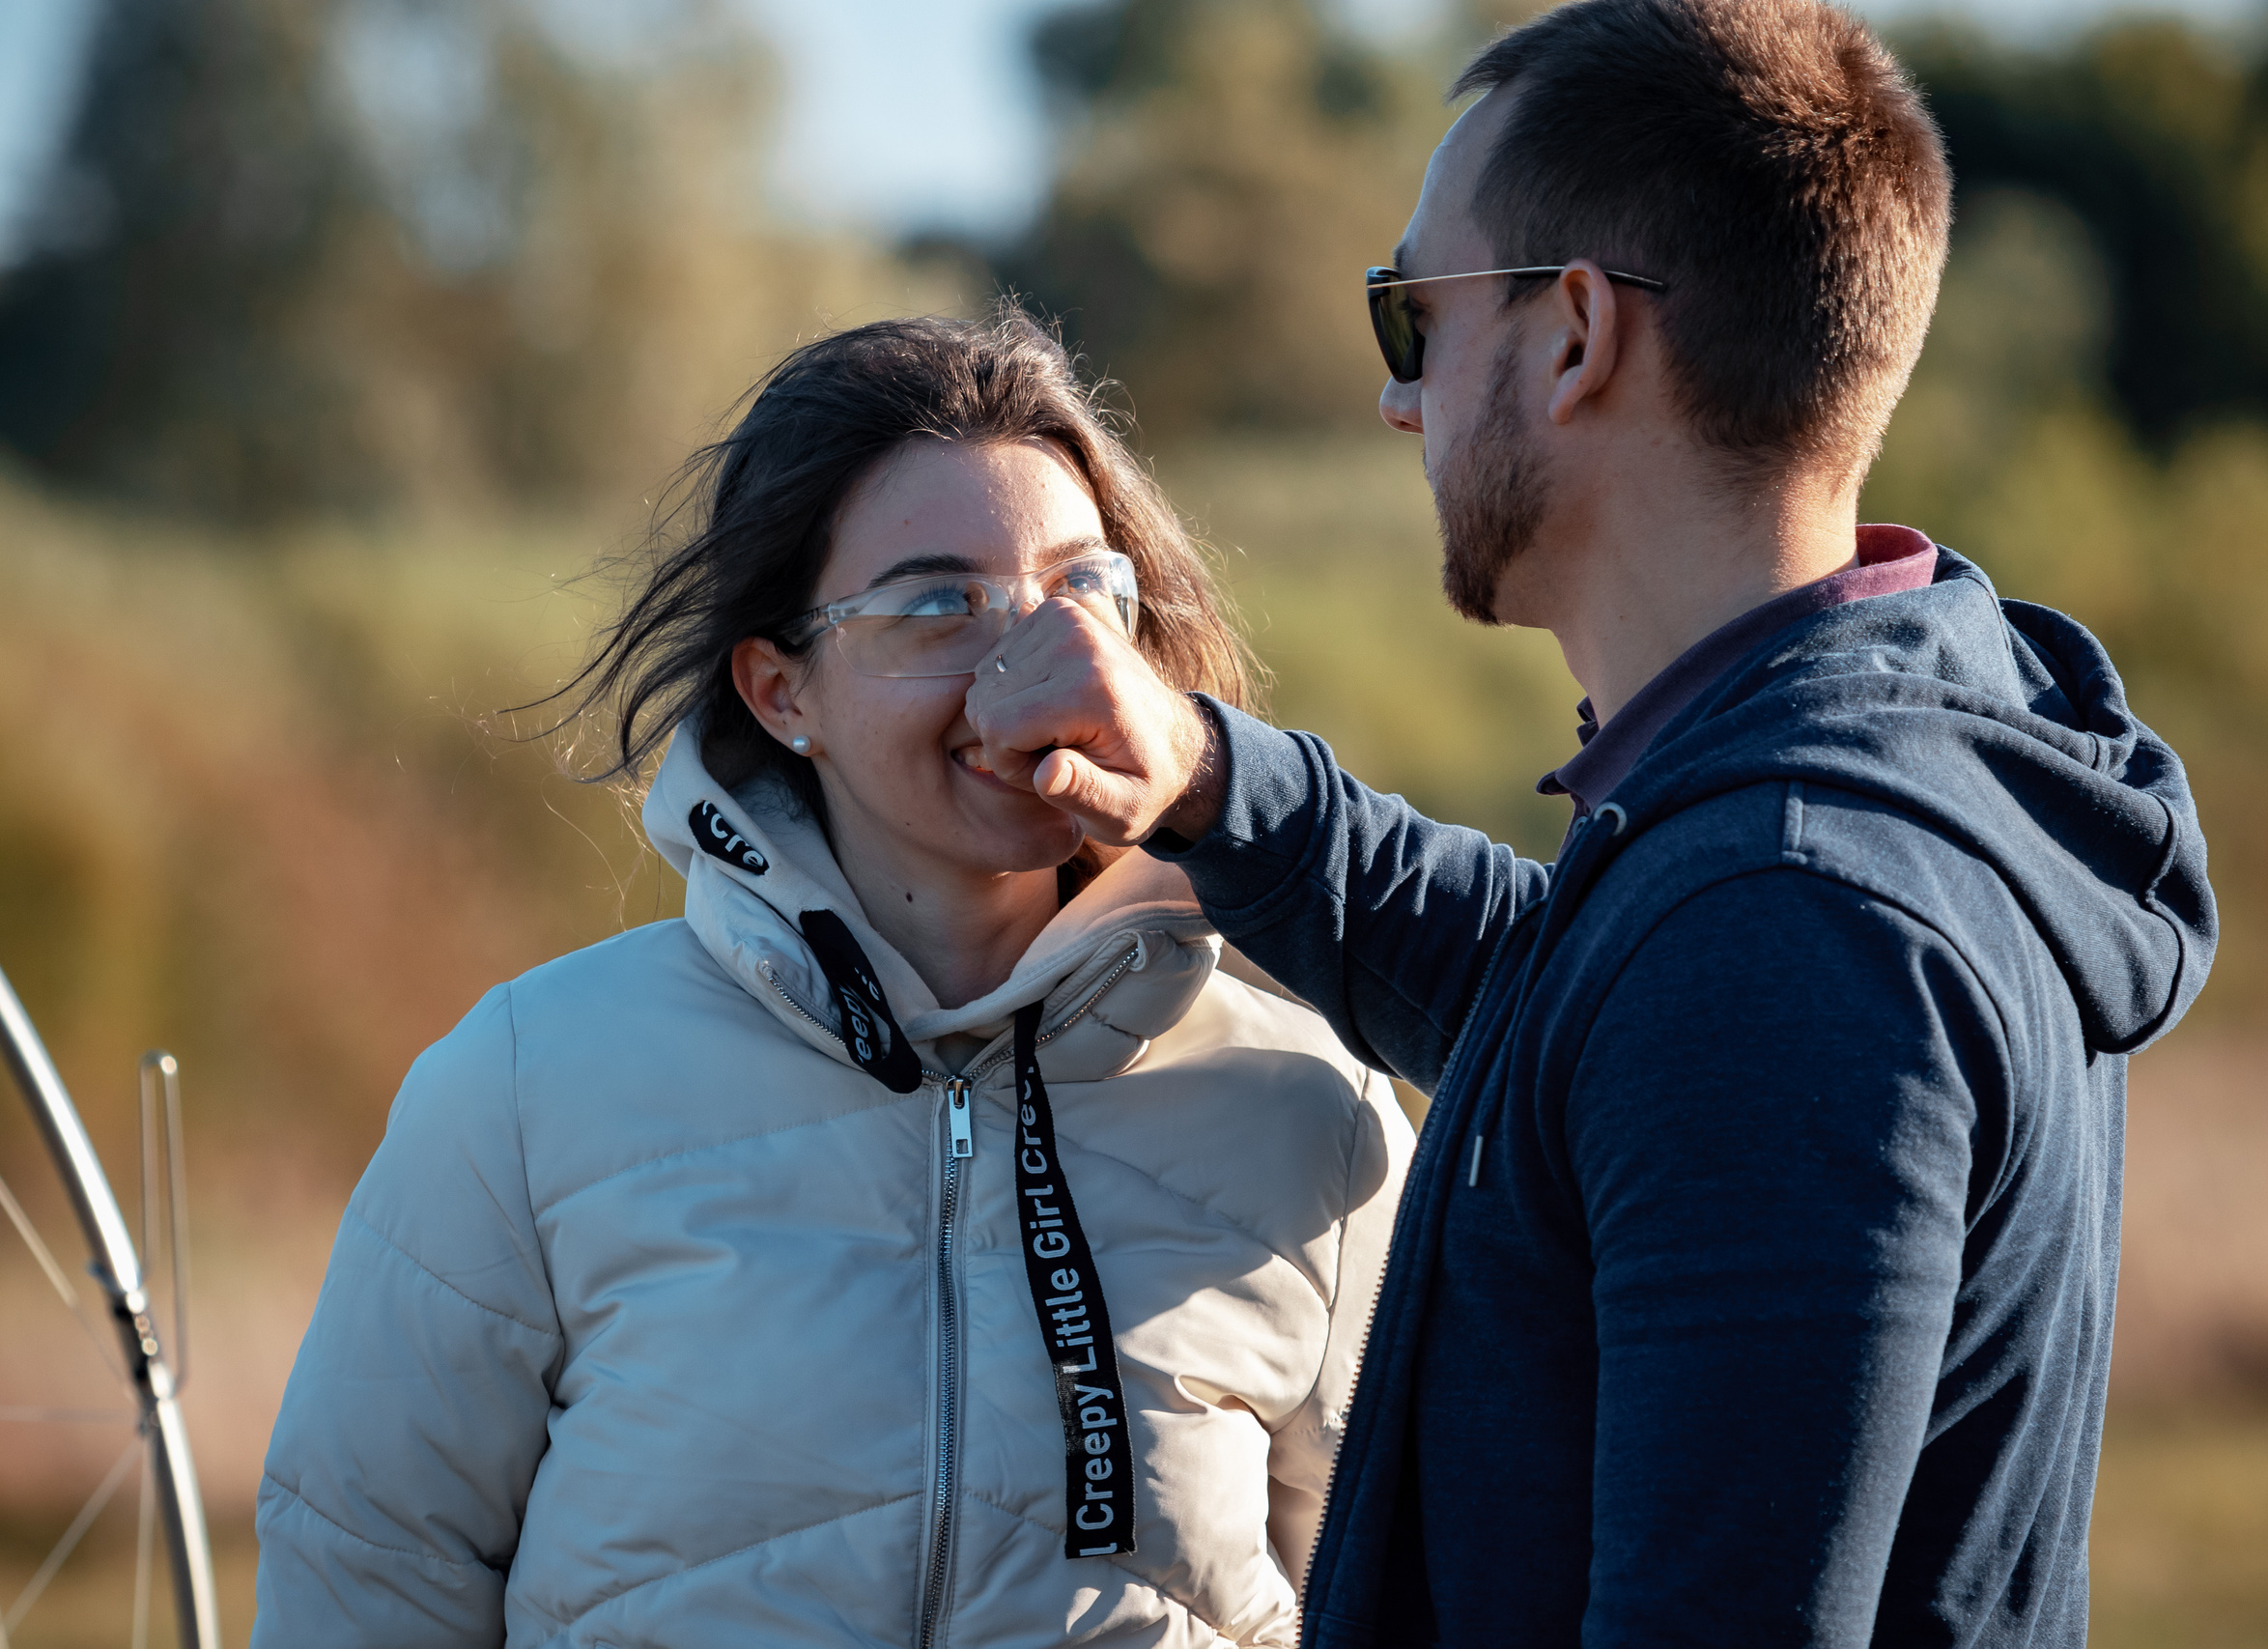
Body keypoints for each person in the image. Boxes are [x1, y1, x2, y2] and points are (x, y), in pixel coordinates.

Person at [963, 2, 2220, 1644]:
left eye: (1415, 314)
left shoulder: (1784, 928)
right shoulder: (1851, 778)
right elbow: (1563, 998)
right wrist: (1208, 772)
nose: (1402, 401)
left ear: (1573, 335)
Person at [250, 310, 1415, 1647]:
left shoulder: (1315, 1108)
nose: (1038, 665)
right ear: (779, 688)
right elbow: (361, 1585)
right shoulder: (520, 1094)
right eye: (937, 605)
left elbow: (1426, 1595)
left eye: (1083, 592)